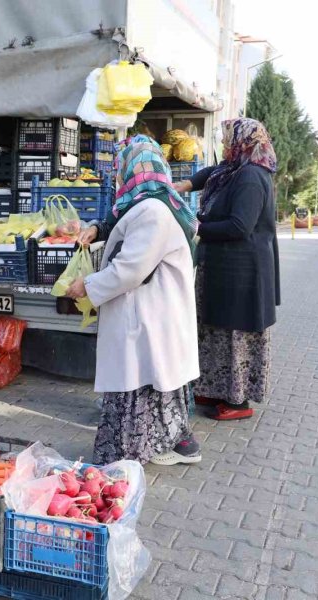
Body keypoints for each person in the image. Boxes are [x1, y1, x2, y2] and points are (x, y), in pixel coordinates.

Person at [72, 135, 201, 466]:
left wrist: (86, 285)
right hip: (154, 315)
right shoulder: (155, 203)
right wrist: (98, 229)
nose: (117, 177)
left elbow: (131, 269)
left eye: (120, 169)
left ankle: (132, 454)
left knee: (142, 381)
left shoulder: (152, 211)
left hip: (148, 317)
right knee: (155, 383)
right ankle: (163, 444)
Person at [177, 118, 280, 421]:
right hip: (224, 271)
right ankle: (214, 389)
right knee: (215, 332)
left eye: (226, 142)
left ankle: (237, 402)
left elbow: (239, 226)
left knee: (235, 336)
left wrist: (198, 227)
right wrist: (187, 184)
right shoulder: (234, 169)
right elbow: (212, 172)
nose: (223, 147)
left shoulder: (250, 176)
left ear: (242, 144)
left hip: (243, 275)